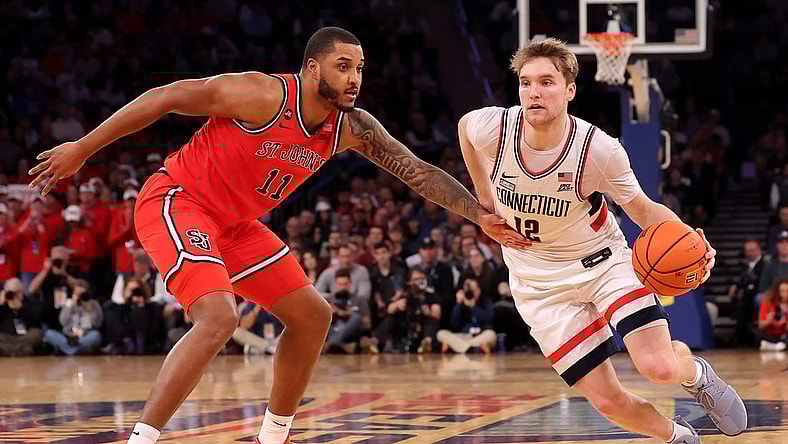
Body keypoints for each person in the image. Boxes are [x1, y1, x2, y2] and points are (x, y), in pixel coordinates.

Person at [27, 26, 528, 444]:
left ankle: (273, 436)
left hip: (236, 225)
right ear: (312, 68)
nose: (355, 79)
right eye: (343, 67)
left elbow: (416, 171)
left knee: (312, 316)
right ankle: (142, 439)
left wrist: (477, 214)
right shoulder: (261, 94)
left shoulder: (351, 127)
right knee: (219, 315)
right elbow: (166, 98)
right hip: (179, 200)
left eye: (359, 68)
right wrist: (84, 147)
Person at [457, 38, 745, 444]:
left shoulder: (598, 151)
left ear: (570, 90)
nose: (534, 93)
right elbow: (464, 130)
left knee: (659, 366)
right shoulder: (494, 128)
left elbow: (644, 211)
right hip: (538, 286)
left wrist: (693, 241)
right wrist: (483, 202)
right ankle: (679, 438)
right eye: (526, 83)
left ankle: (698, 376)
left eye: (546, 82)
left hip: (602, 262)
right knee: (608, 401)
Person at [757, 279, 788, 351]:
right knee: (758, 334)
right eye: (782, 291)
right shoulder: (768, 302)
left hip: (784, 334)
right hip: (770, 334)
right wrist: (769, 321)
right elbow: (761, 325)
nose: (785, 294)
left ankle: (774, 346)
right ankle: (780, 346)